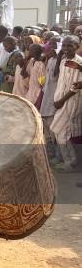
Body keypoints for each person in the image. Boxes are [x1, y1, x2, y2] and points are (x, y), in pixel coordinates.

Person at [50, 36, 82, 172]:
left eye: (70, 46)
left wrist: (61, 101)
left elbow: (77, 87)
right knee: (63, 131)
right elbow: (56, 77)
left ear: (77, 46)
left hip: (71, 101)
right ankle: (71, 160)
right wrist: (58, 58)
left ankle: (69, 163)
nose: (66, 49)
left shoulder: (79, 63)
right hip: (60, 100)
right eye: (64, 46)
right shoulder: (64, 60)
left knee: (57, 129)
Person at [40, 36, 62, 161]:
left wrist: (58, 56)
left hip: (56, 98)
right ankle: (50, 153)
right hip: (47, 96)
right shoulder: (50, 59)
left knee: (54, 128)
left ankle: (57, 156)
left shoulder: (61, 60)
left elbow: (55, 76)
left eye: (56, 43)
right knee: (47, 126)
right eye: (51, 43)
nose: (53, 45)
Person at [24, 43, 45, 108]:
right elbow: (25, 73)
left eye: (30, 50)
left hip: (37, 92)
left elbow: (42, 82)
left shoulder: (41, 65)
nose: (28, 52)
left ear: (35, 51)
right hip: (30, 90)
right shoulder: (32, 61)